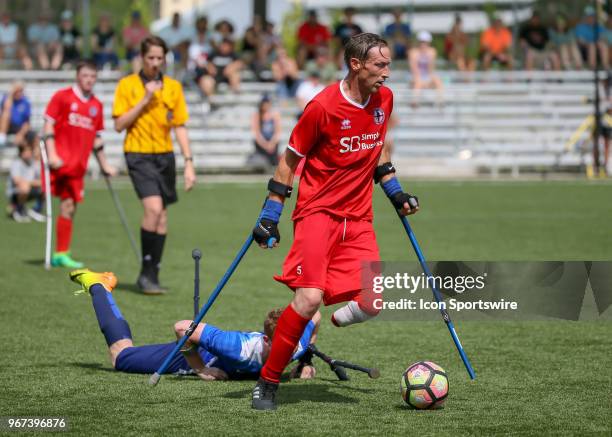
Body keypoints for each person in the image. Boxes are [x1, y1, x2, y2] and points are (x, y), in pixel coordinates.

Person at [248, 33, 419, 410]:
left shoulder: (384, 100)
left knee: (374, 301)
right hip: (317, 215)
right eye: (380, 65)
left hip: (358, 218)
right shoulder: (322, 107)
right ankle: (268, 381)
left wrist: (395, 191)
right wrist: (271, 214)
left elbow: (378, 146)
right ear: (356, 64)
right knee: (308, 299)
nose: (387, 73)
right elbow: (289, 160)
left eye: (389, 64)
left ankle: (338, 321)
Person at [69, 268, 319, 380]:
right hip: (197, 354)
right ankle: (99, 285)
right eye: (282, 346)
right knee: (120, 357)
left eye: (292, 346)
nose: (289, 351)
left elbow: (314, 317)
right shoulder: (237, 348)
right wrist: (201, 369)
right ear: (267, 340)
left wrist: (305, 362)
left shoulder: (297, 343)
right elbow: (182, 327)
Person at [112, 36, 196, 294]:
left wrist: (188, 161)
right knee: (154, 209)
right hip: (138, 155)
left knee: (162, 217)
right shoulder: (127, 85)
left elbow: (179, 125)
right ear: (141, 57)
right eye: (151, 58)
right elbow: (118, 124)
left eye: (160, 58)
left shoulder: (173, 87)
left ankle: (152, 275)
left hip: (164, 156)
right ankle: (146, 273)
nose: (155, 63)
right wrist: (144, 100)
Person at [42, 60, 116, 268]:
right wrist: (52, 154)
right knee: (56, 201)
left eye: (93, 77)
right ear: (77, 75)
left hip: (77, 166)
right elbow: (48, 125)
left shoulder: (96, 106)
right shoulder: (62, 96)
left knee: (69, 206)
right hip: (58, 162)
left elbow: (97, 139)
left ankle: (61, 253)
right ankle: (60, 252)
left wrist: (105, 165)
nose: (89, 80)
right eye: (85, 76)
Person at [5, 131, 44, 223]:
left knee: (45, 186)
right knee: (24, 187)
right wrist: (31, 183)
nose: (29, 153)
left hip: (29, 188)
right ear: (21, 153)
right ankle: (18, 210)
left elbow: (41, 179)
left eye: (30, 151)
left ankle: (36, 210)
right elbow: (17, 181)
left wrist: (30, 183)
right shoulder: (16, 163)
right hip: (15, 192)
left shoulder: (33, 163)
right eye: (27, 151)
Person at [409, 31, 443, 107]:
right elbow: (414, 70)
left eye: (425, 42)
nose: (423, 44)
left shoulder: (432, 52)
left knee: (437, 80)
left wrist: (427, 82)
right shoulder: (413, 52)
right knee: (418, 82)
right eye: (421, 42)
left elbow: (431, 69)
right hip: (415, 77)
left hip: (426, 77)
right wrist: (423, 82)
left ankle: (440, 102)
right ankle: (414, 103)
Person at [250, 94, 281, 167]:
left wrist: (272, 144)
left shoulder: (275, 115)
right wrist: (266, 145)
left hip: (272, 142)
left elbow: (277, 132)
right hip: (261, 143)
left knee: (274, 159)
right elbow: (257, 134)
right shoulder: (256, 115)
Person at [0, 81, 31, 147]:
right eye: (17, 91)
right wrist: (11, 94)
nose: (19, 93)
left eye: (21, 91)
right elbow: (6, 109)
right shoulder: (7, 99)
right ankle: (2, 136)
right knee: (6, 114)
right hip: (5, 125)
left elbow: (27, 123)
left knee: (33, 136)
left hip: (18, 127)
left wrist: (20, 134)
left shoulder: (25, 102)